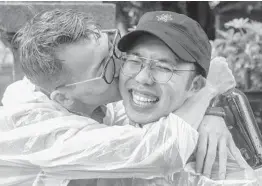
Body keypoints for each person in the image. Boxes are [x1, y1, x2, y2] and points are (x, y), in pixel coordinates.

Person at [0, 9, 245, 186]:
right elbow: (158, 150)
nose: (122, 66)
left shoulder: (98, 105)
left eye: (114, 50)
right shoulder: (39, 128)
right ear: (64, 97)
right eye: (104, 67)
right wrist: (209, 89)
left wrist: (214, 110)